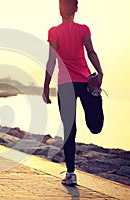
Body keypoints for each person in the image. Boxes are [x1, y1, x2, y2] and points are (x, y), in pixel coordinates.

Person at [42, 0, 104, 186]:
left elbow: (51, 61)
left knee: (70, 130)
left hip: (67, 85)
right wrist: (100, 72)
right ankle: (97, 97)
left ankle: (70, 174)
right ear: (76, 9)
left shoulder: (55, 31)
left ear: (59, 10)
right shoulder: (83, 29)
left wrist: (45, 86)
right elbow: (91, 52)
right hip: (84, 82)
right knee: (95, 127)